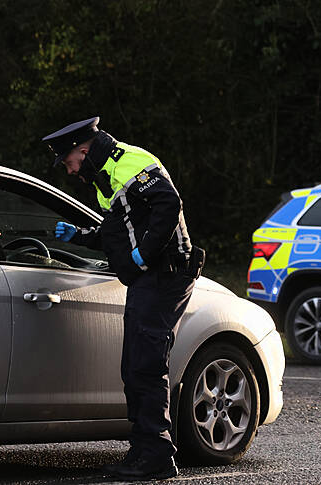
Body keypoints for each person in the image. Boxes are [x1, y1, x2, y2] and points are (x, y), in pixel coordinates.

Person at [42, 116, 204, 481]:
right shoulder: (105, 174)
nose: (69, 171)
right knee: (134, 365)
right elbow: (121, 228)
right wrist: (81, 236)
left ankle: (157, 456)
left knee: (145, 363)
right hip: (151, 277)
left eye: (68, 163)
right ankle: (145, 450)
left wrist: (143, 256)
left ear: (82, 151)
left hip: (165, 274)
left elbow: (168, 203)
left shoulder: (126, 161)